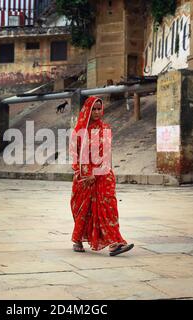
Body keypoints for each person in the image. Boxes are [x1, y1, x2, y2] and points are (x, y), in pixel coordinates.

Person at [69, 96, 134, 256]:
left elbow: (107, 153)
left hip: (104, 176)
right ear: (88, 110)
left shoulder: (105, 128)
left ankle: (114, 243)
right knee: (85, 210)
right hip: (86, 178)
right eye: (94, 109)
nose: (97, 112)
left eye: (99, 109)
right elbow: (75, 154)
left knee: (109, 207)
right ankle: (77, 239)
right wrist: (86, 174)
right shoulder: (79, 132)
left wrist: (104, 172)